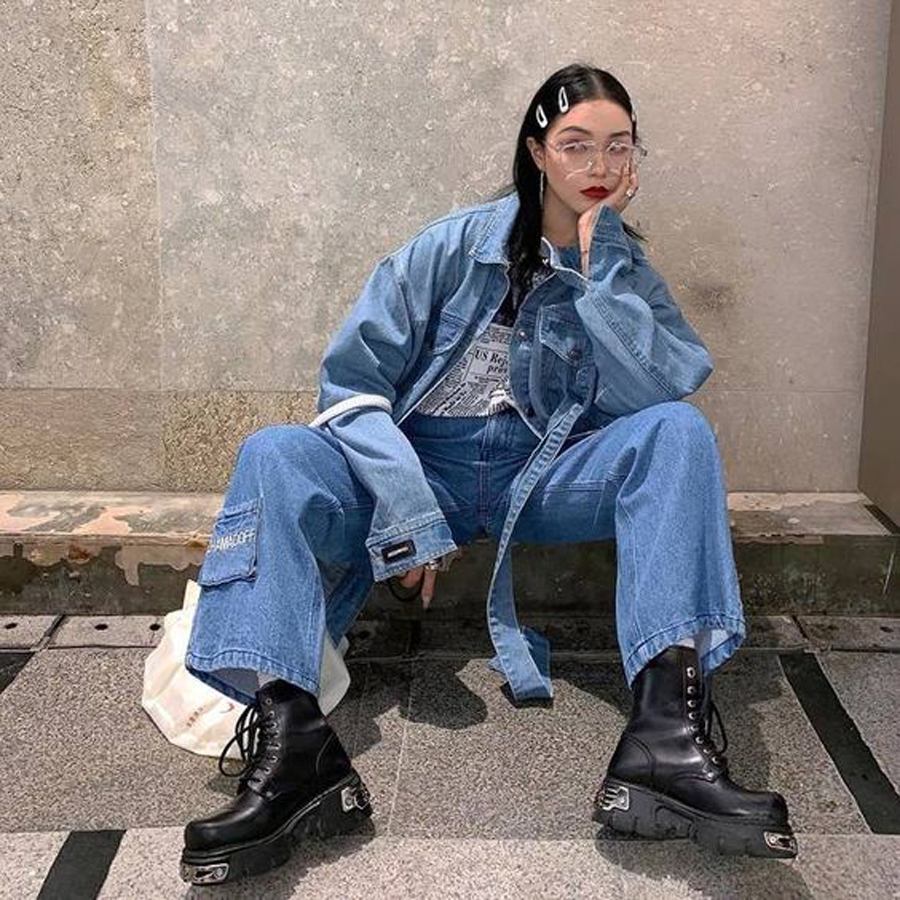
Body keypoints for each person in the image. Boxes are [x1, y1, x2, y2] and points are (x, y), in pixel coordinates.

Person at [178, 62, 797, 886]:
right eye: (576, 145)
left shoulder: (624, 269)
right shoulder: (450, 248)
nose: (599, 166)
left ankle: (665, 743)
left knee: (680, 435)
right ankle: (295, 753)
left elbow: (663, 388)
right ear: (537, 151)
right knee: (273, 453)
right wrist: (406, 510)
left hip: (542, 479)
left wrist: (598, 273)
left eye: (618, 146)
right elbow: (350, 388)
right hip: (422, 468)